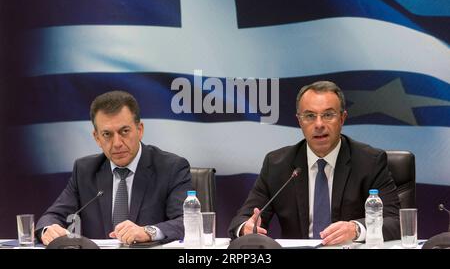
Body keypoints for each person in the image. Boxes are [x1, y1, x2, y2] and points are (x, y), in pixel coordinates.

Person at [228, 81, 400, 245]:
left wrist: (356, 229)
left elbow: (395, 222)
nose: (319, 124)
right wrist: (246, 228)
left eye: (328, 115)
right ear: (299, 121)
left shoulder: (370, 162)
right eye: (310, 116)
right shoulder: (277, 164)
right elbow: (242, 219)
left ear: (342, 118)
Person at [36, 90, 192, 245]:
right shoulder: (85, 170)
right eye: (107, 134)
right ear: (97, 138)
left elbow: (187, 222)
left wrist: (148, 231)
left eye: (124, 131)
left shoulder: (171, 168)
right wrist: (49, 230)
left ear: (140, 130)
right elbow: (52, 217)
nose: (117, 143)